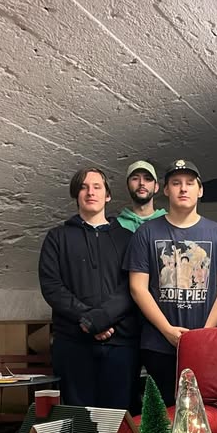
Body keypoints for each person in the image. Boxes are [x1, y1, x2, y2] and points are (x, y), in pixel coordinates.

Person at [124, 159, 217, 405]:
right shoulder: (146, 233)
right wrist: (167, 330)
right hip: (158, 345)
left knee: (204, 410)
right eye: (176, 183)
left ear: (200, 190)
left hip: (207, 343)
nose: (183, 189)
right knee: (163, 413)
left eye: (189, 183)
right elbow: (137, 287)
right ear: (165, 190)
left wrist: (203, 335)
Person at [38, 167, 140, 409]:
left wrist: (101, 320)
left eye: (97, 187)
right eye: (84, 187)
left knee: (120, 421)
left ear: (108, 195)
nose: (90, 192)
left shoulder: (127, 239)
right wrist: (88, 321)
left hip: (120, 345)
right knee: (79, 422)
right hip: (73, 344)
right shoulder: (57, 238)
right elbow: (52, 287)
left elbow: (133, 287)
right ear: (76, 195)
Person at [116, 160, 166, 233]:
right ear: (127, 187)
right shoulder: (117, 225)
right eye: (135, 179)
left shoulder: (168, 222)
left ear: (156, 187)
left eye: (147, 179)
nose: (141, 183)